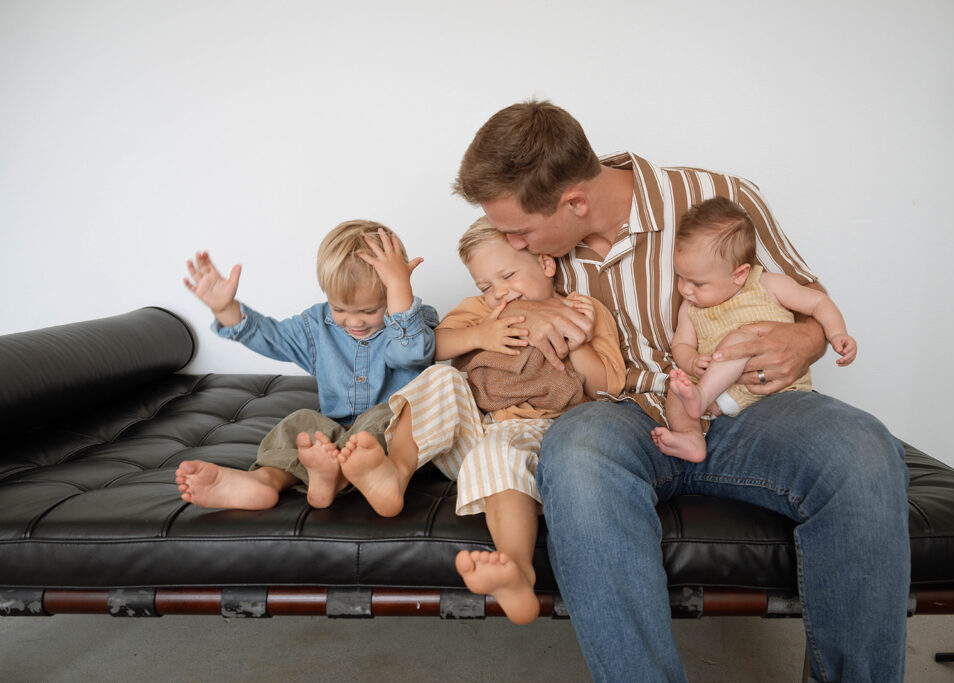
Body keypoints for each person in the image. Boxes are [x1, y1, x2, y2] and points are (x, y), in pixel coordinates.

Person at [452, 100, 910, 682]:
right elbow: (474, 325)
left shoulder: (717, 197)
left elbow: (809, 305)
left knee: (863, 451)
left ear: (574, 202)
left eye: (520, 231)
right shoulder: (524, 261)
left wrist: (810, 339)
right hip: (620, 415)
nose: (511, 243)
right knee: (575, 455)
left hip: (748, 406)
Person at [336, 216, 625, 624]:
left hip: (540, 435)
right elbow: (432, 348)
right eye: (486, 286)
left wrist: (576, 343)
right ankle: (394, 474)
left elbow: (608, 387)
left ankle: (518, 572)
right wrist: (481, 334)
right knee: (441, 377)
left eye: (508, 276)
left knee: (499, 451)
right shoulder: (479, 312)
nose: (499, 292)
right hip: (472, 431)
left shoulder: (583, 310)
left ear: (546, 264)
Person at [175, 220, 438, 511]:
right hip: (334, 431)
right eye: (339, 309)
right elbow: (271, 337)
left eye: (370, 310)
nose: (354, 322)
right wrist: (226, 309)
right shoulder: (315, 328)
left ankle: (338, 477)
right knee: (299, 423)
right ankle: (267, 480)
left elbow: (410, 355)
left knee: (386, 419)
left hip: (386, 439)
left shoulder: (414, 321)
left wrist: (400, 286)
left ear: (391, 293)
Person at [651, 196, 858, 463]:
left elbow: (818, 302)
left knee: (741, 339)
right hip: (720, 396)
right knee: (676, 391)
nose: (686, 289)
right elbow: (681, 344)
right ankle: (691, 438)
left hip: (777, 388)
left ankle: (700, 398)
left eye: (698, 283)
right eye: (681, 277)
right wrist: (691, 363)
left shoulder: (768, 285)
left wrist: (837, 333)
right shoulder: (691, 307)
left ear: (739, 274)